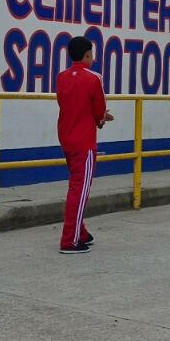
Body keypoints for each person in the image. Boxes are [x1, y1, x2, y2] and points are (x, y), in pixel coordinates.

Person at [56, 36, 112, 254]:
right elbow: (99, 109)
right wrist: (101, 119)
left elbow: (65, 103)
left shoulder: (62, 77)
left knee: (76, 185)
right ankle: (69, 239)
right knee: (79, 190)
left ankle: (81, 231)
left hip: (66, 137)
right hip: (84, 141)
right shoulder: (94, 78)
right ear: (87, 54)